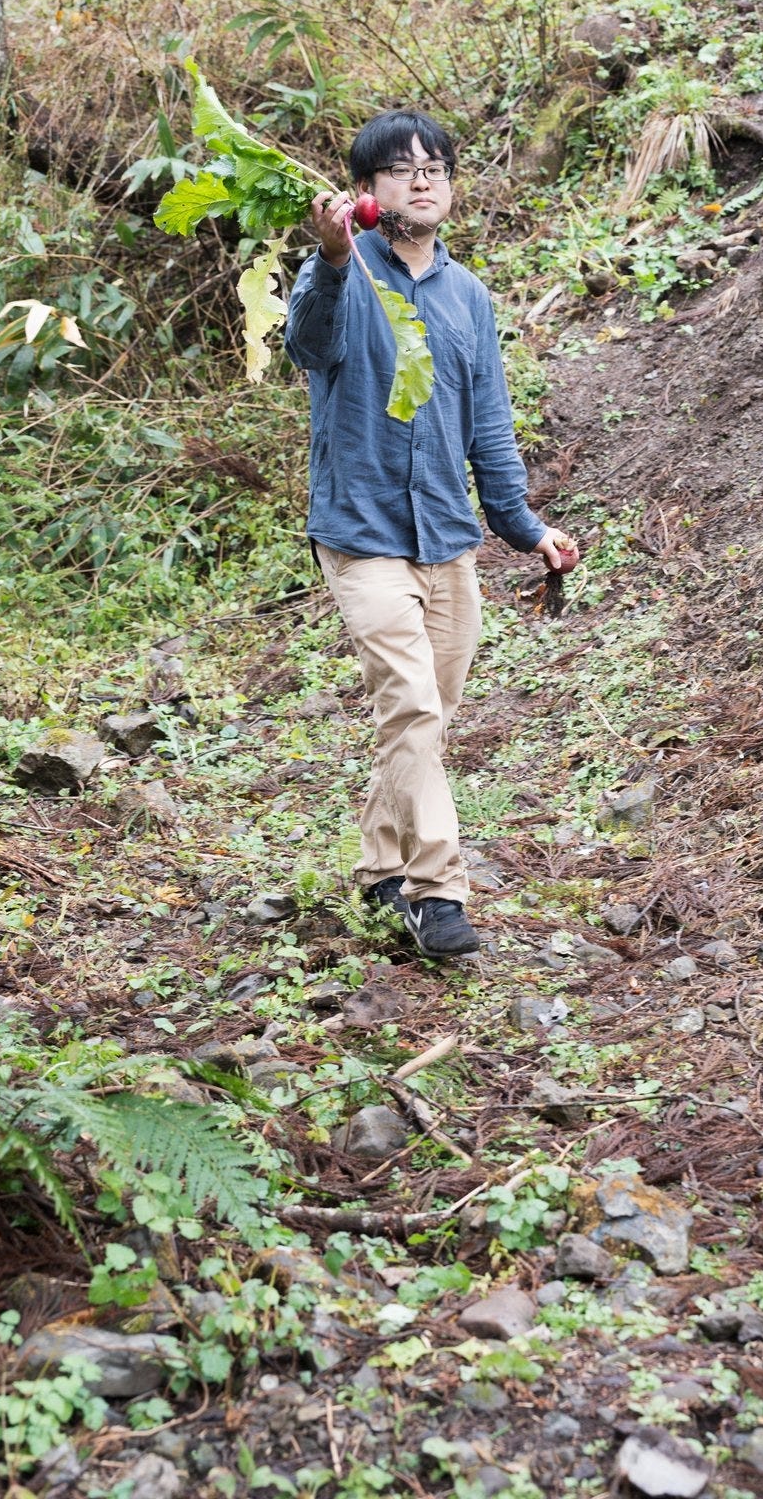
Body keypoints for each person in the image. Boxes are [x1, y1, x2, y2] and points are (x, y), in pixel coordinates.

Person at [285, 109, 575, 960]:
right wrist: (332, 260)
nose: (422, 180)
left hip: (447, 535)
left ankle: (380, 863)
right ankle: (437, 891)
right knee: (411, 704)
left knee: (426, 717)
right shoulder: (338, 273)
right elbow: (307, 346)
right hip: (362, 533)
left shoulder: (466, 297)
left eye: (435, 167)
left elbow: (488, 424)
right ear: (365, 189)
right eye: (401, 168)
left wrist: (523, 527)